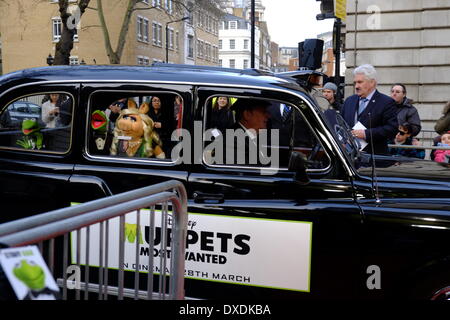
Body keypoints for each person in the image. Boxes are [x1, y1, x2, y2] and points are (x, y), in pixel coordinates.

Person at [341, 64, 397, 155]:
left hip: (374, 158)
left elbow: (392, 129)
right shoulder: (349, 101)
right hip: (349, 158)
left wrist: (366, 134)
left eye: (360, 82)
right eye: (355, 82)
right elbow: (341, 125)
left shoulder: (386, 102)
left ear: (372, 82)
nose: (356, 86)